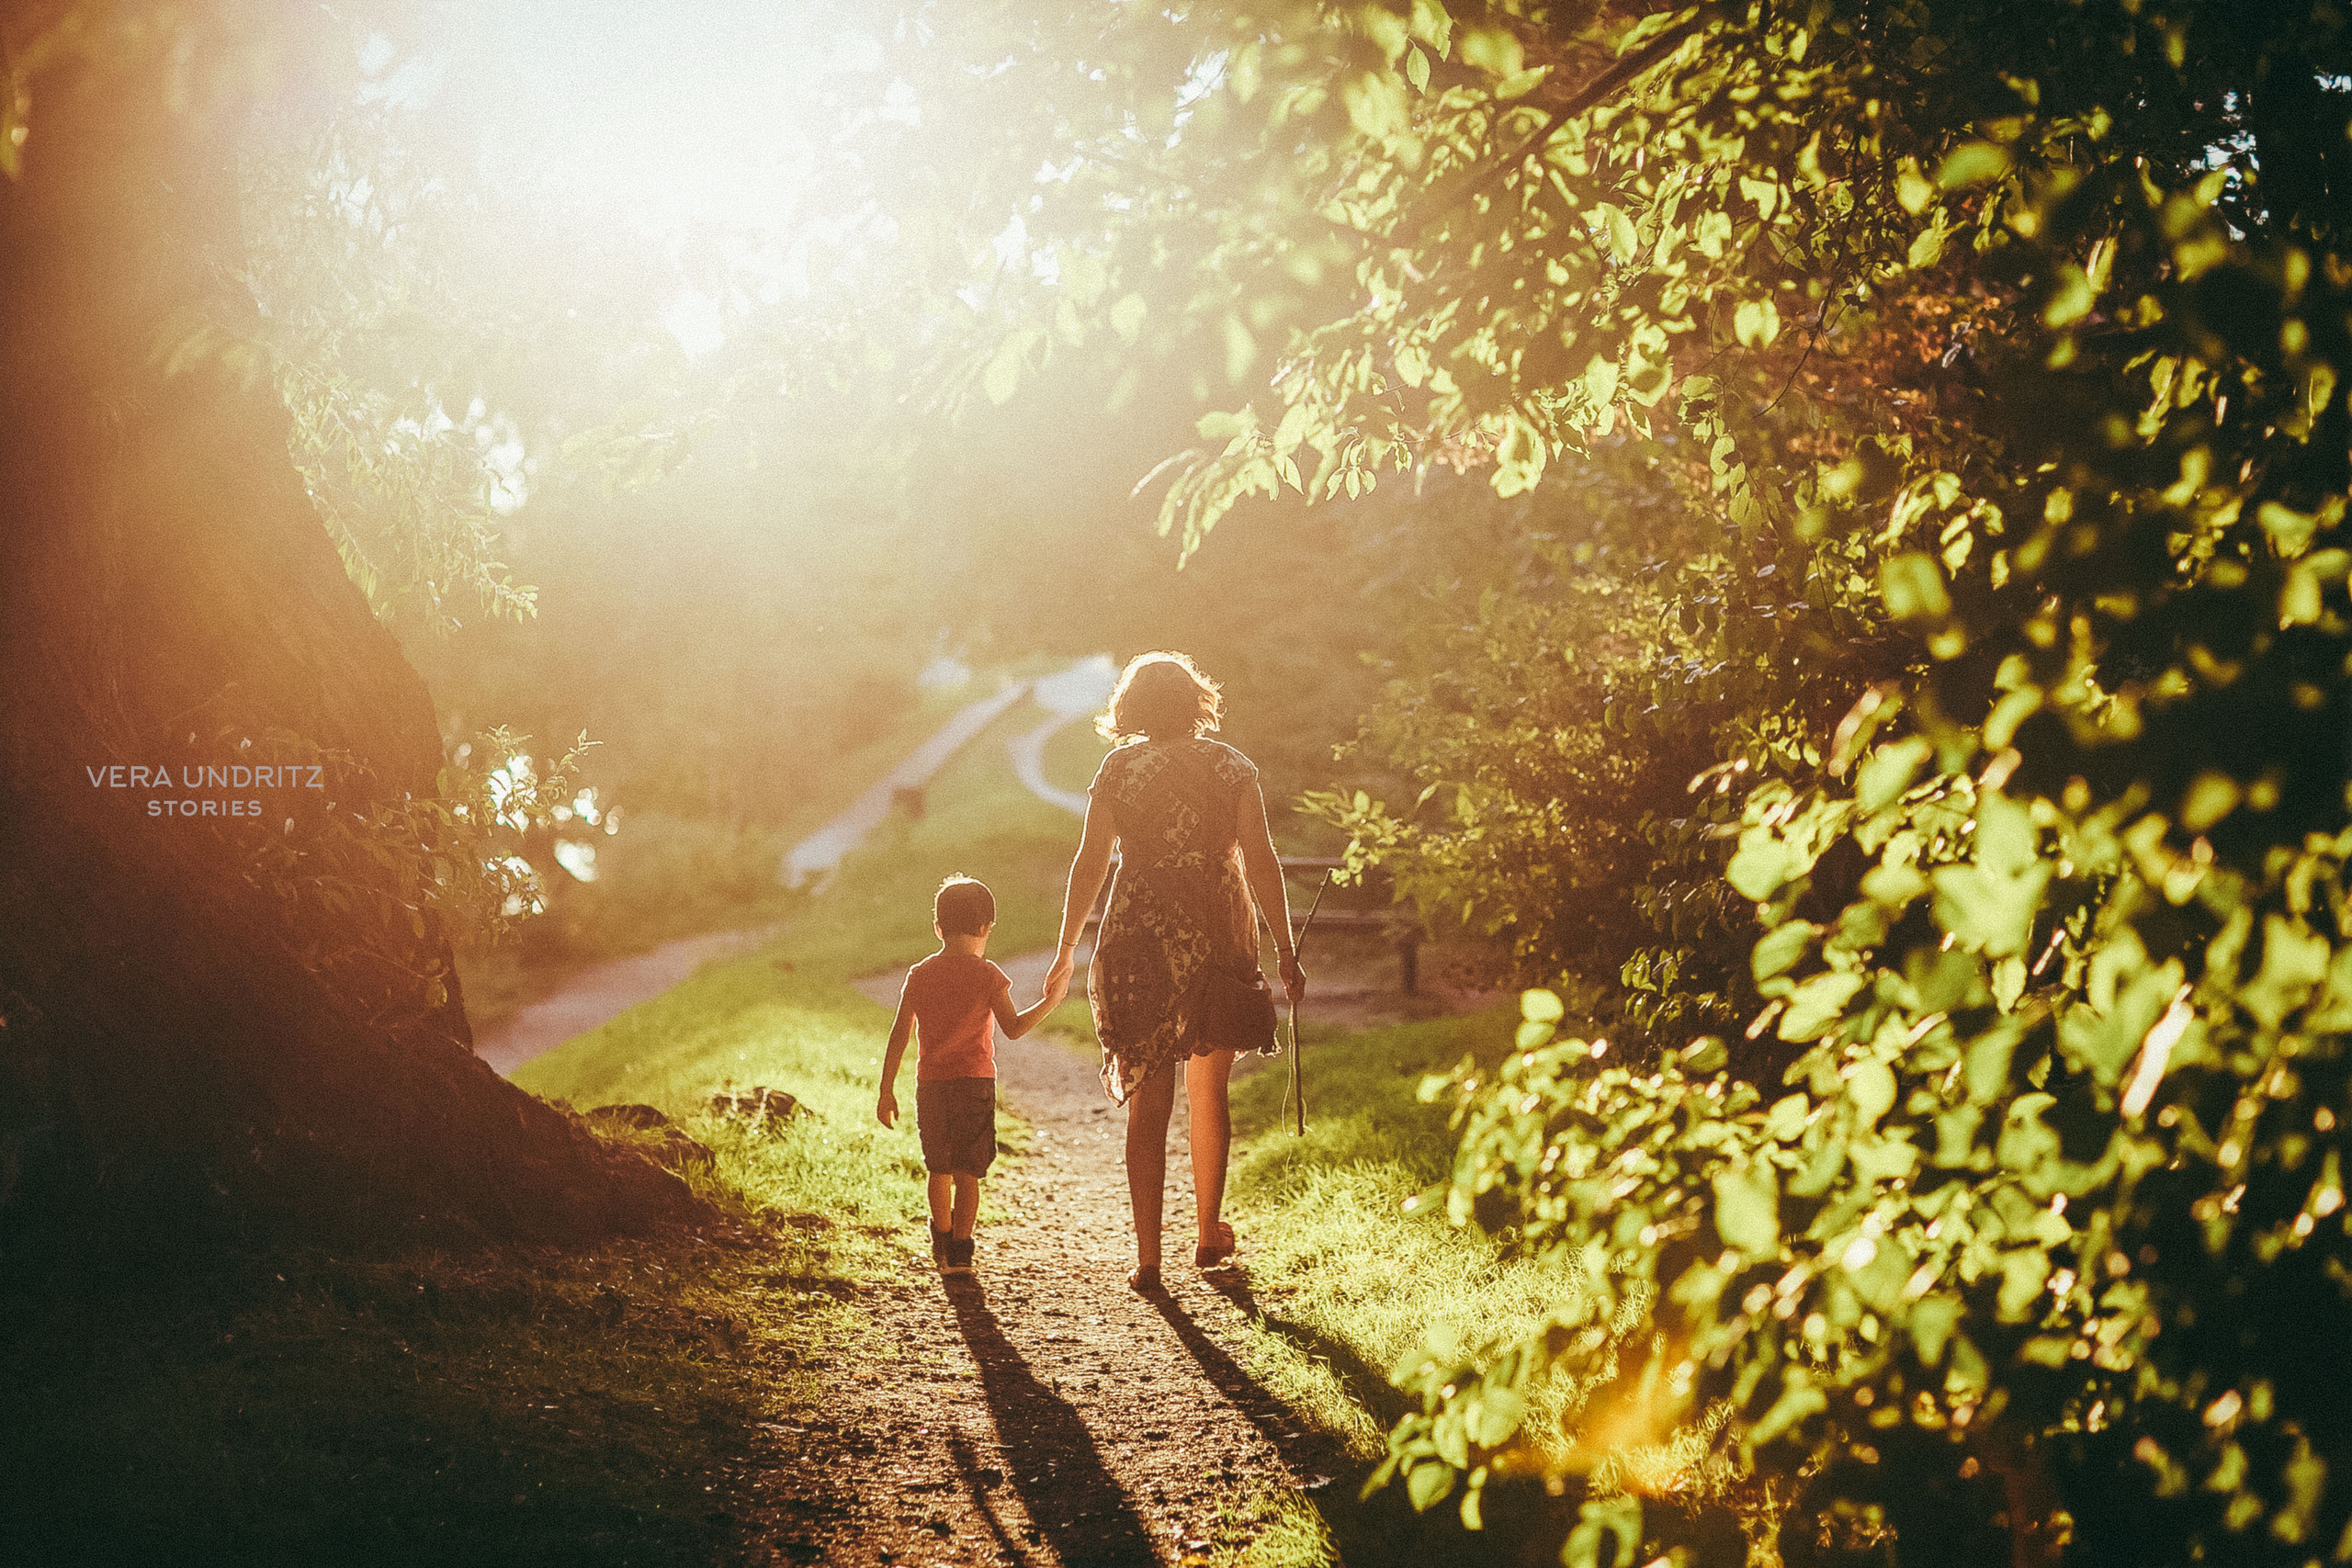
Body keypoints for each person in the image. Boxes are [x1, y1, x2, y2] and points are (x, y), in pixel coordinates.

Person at [1044, 652, 1305, 1292]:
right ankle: (1209, 1232)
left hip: (1139, 939)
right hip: (1219, 933)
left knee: (1148, 1102)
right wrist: (1286, 948)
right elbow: (1262, 860)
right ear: (1196, 701)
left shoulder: (1118, 771)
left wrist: (1066, 947)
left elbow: (1091, 863)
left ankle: (1147, 1257)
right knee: (1207, 1092)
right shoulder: (1233, 767)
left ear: (1130, 707)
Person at [877, 875, 1066, 1275]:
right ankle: (962, 1250)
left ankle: (941, 1242)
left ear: (938, 927)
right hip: (975, 1086)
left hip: (931, 1086)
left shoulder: (920, 974)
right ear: (985, 928)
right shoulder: (988, 975)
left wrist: (885, 1090)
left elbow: (899, 1033)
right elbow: (1013, 1028)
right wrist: (1050, 1002)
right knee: (968, 1172)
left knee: (938, 1168)